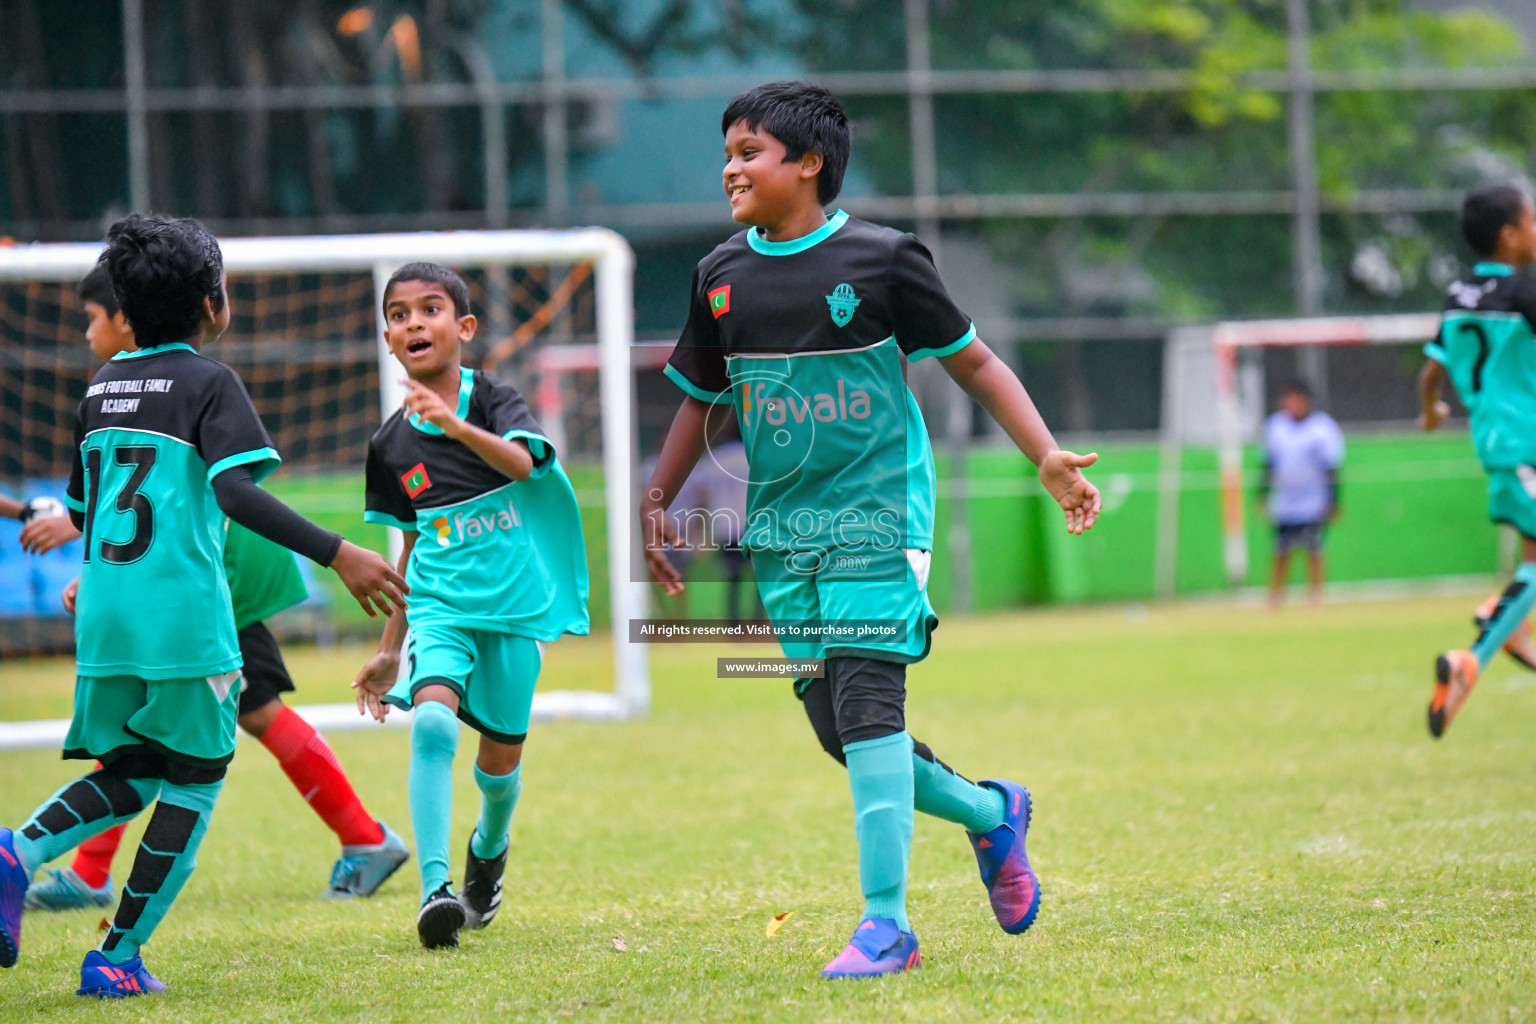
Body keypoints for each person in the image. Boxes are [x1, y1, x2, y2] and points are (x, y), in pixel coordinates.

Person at [640, 82, 1102, 979]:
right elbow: (702, 399)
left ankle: (887, 926)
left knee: (867, 706)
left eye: (749, 152)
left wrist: (1044, 454)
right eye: (728, 153)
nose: (730, 168)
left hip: (879, 517)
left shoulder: (884, 260)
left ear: (808, 163)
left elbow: (974, 361)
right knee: (838, 733)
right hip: (786, 532)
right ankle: (990, 812)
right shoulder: (718, 276)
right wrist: (660, 502)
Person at [0, 214, 407, 998]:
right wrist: (339, 551)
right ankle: (116, 956)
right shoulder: (210, 384)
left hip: (107, 617)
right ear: (214, 305)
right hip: (182, 621)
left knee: (135, 767)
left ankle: (17, 851)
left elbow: (89, 509)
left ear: (123, 306)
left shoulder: (103, 387)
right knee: (194, 779)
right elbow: (234, 491)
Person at [351, 263, 589, 950]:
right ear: (389, 338)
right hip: (440, 608)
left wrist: (454, 426)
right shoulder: (389, 445)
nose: (413, 323)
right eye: (399, 314)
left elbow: (522, 464)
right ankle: (434, 892)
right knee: (431, 726)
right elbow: (411, 545)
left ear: (464, 328)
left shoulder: (492, 400)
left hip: (511, 612)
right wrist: (391, 646)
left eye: (429, 309)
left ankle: (489, 847)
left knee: (498, 772)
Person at [1419, 183, 1536, 738]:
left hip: (1493, 442)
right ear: (1511, 235)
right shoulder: (1524, 293)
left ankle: (1508, 619)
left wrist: (1430, 412)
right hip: (1528, 441)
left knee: (1534, 558)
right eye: (1532, 222)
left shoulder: (1458, 294)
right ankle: (1478, 653)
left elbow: (1431, 371)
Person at [1260, 381, 1343, 607]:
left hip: (1313, 501)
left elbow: (1332, 466)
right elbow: (1268, 464)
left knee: (1314, 548)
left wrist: (1333, 499)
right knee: (1281, 549)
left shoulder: (1322, 428)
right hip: (1285, 501)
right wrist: (1262, 495)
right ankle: (1275, 596)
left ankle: (1315, 595)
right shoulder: (1275, 426)